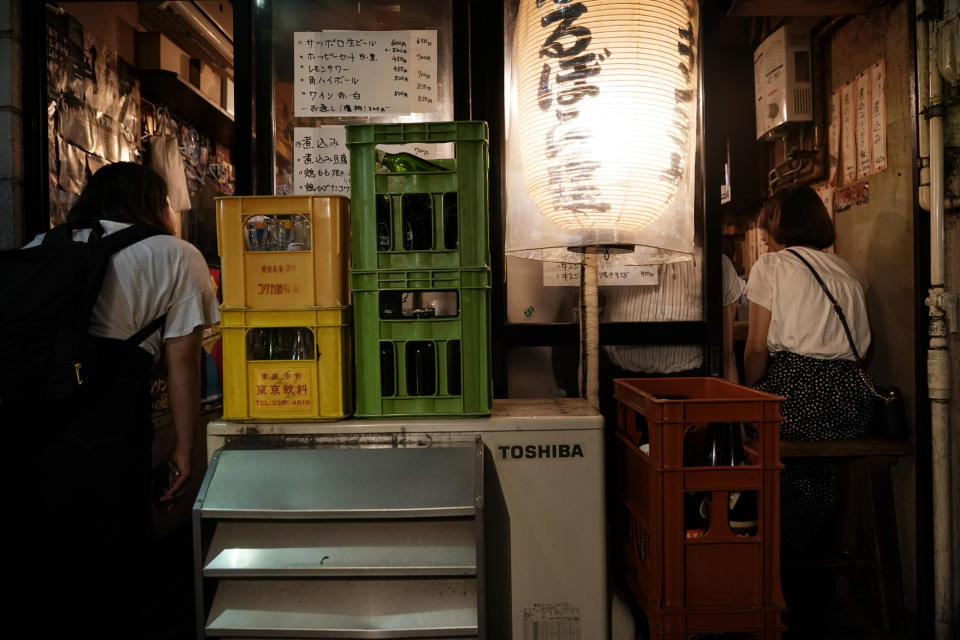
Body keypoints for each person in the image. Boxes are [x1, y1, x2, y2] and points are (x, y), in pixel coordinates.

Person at [11, 163, 220, 635]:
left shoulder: (44, 245)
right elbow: (183, 363)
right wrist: (185, 449)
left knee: (42, 555)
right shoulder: (175, 255)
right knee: (114, 552)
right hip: (109, 427)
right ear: (153, 202)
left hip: (32, 428)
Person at [744, 185, 872, 550]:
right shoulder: (845, 269)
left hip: (796, 397)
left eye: (769, 222)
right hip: (853, 406)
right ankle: (813, 546)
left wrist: (749, 395)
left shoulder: (771, 266)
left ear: (789, 223)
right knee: (811, 471)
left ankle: (772, 550)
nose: (763, 234)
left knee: (742, 429)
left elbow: (755, 350)